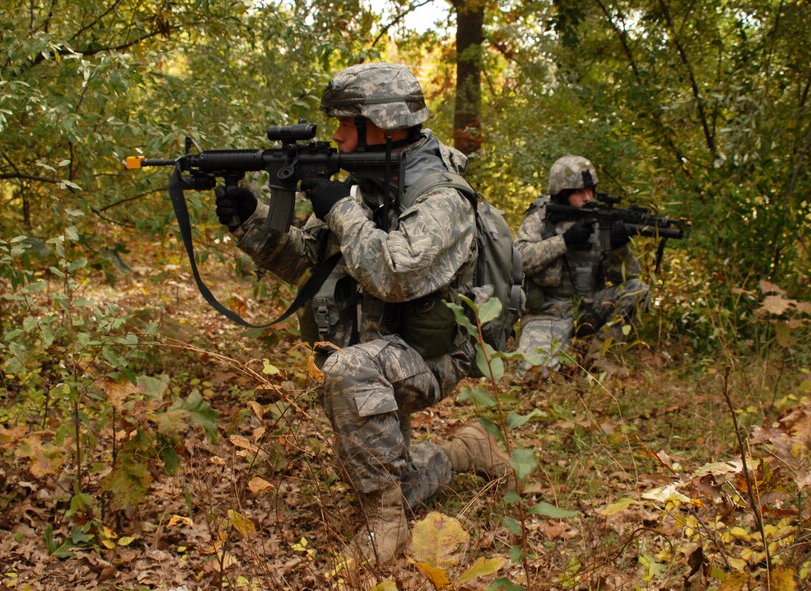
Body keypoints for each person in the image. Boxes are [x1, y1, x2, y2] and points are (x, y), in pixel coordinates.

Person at [213, 62, 511, 566]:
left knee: (349, 371)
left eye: (346, 125)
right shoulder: (365, 187)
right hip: (382, 345)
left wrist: (339, 209)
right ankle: (466, 452)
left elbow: (393, 274)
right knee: (377, 471)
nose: (336, 137)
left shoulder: (443, 198)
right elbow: (309, 262)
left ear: (385, 125)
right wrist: (250, 220)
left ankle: (386, 528)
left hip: (435, 354)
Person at [514, 155, 650, 376]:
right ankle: (568, 350)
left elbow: (631, 277)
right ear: (562, 193)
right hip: (549, 313)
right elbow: (518, 260)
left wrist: (618, 247)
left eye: (590, 190)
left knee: (638, 290)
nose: (588, 198)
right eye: (579, 192)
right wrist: (564, 241)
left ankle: (598, 355)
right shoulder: (540, 220)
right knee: (535, 374)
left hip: (589, 309)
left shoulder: (602, 222)